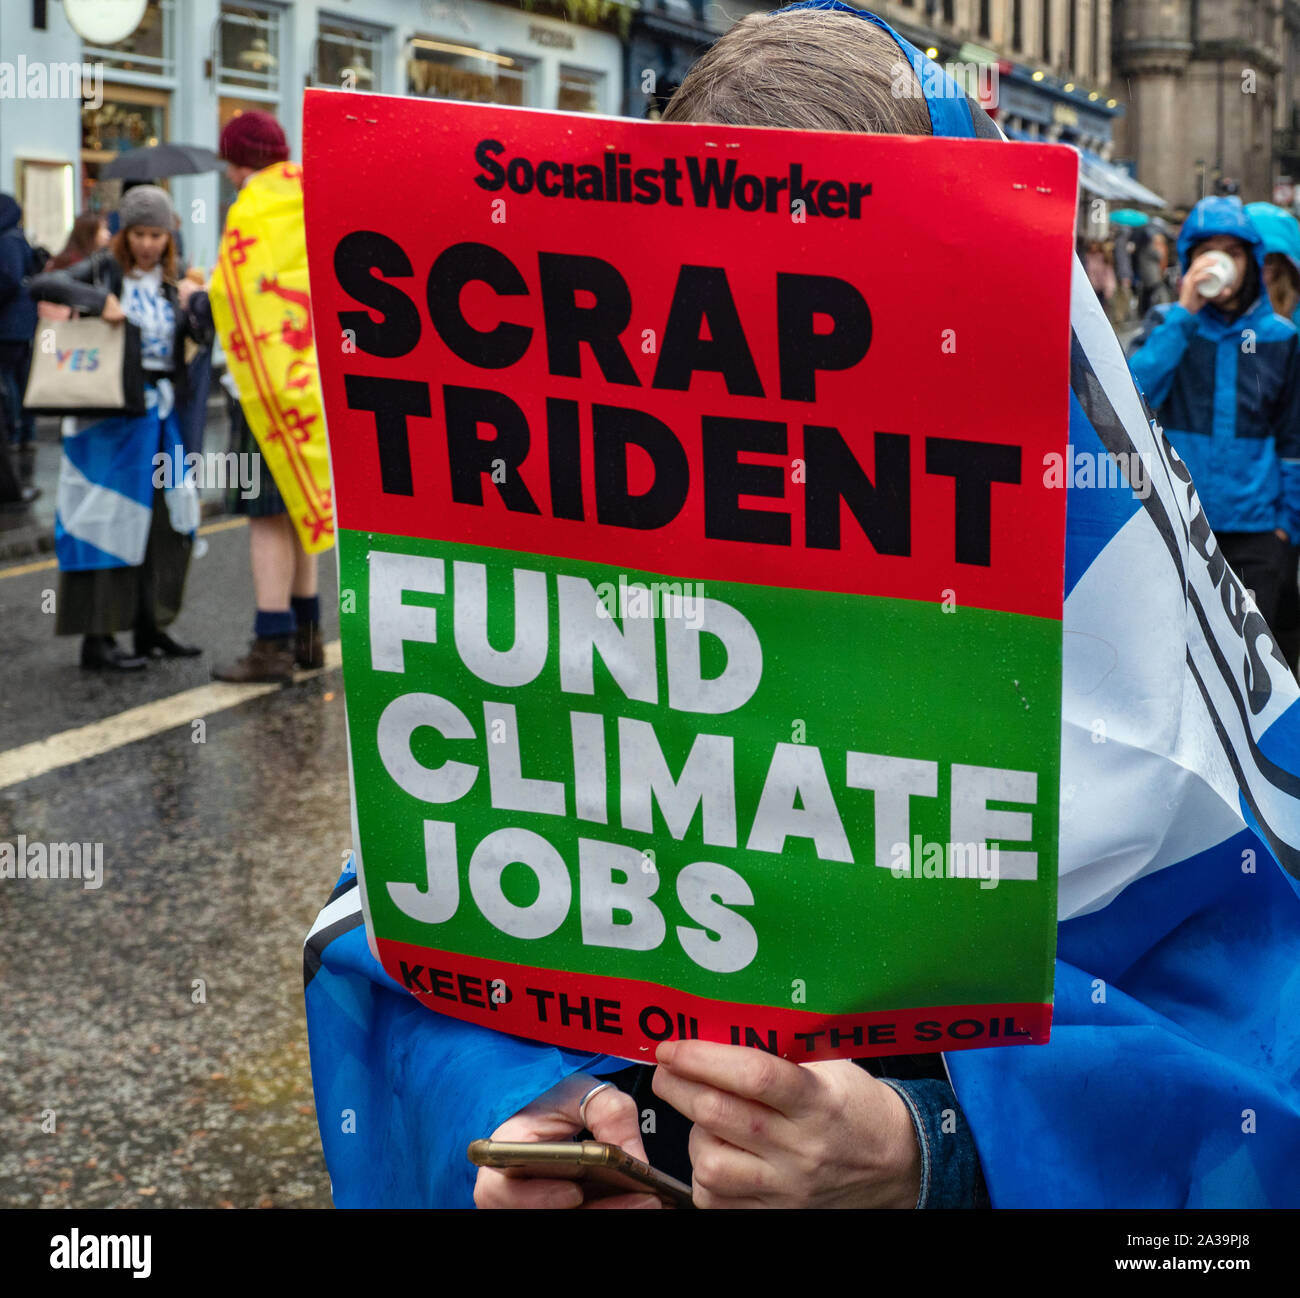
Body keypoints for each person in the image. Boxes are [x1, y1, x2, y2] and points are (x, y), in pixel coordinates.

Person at [304, 3, 1300, 1211]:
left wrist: (929, 1145)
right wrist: (522, 1111)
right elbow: (412, 924)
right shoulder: (555, 563)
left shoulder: (1118, 622)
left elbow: (1250, 1032)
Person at [27, 185, 210, 670]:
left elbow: (186, 347)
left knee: (168, 520)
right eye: (141, 233)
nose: (149, 244)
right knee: (100, 521)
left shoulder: (173, 284)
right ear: (125, 235)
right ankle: (98, 638)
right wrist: (99, 300)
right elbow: (40, 285)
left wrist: (197, 310)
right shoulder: (105, 269)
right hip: (105, 420)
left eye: (158, 234)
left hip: (159, 418)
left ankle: (152, 627)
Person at [1127, 196, 1300, 630]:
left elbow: (1294, 438)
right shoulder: (1168, 322)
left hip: (1257, 532)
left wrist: (1285, 530)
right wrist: (1185, 312)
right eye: (1206, 251)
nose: (1218, 261)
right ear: (1189, 260)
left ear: (1251, 261)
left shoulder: (1281, 337)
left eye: (1232, 251)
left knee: (1261, 657)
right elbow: (1132, 397)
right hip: (1181, 523)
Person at [211, 110, 325, 685]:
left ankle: (270, 642)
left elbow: (235, 291)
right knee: (304, 508)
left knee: (264, 518)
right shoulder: (311, 193)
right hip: (314, 383)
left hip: (263, 389)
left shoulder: (252, 207)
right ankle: (309, 636)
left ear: (239, 161)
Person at [0, 193, 39, 454]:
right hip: (21, 322)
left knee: (9, 378)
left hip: (10, 324)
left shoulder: (7, 240)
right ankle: (25, 432)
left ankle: (14, 432)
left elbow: (9, 279)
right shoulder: (17, 236)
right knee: (21, 379)